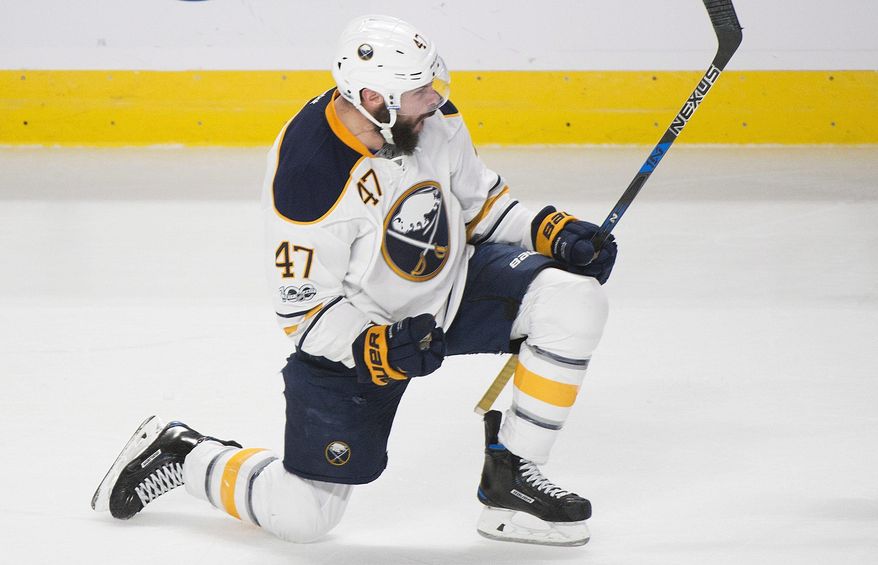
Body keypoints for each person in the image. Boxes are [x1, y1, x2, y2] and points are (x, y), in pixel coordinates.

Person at [91, 14, 617, 547]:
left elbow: (479, 206)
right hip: (360, 337)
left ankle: (511, 483)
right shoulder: (309, 175)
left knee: (572, 300)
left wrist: (550, 231)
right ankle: (185, 453)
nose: (434, 98)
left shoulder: (432, 119)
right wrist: (379, 348)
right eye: (418, 91)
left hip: (452, 287)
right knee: (303, 518)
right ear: (373, 98)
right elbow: (304, 313)